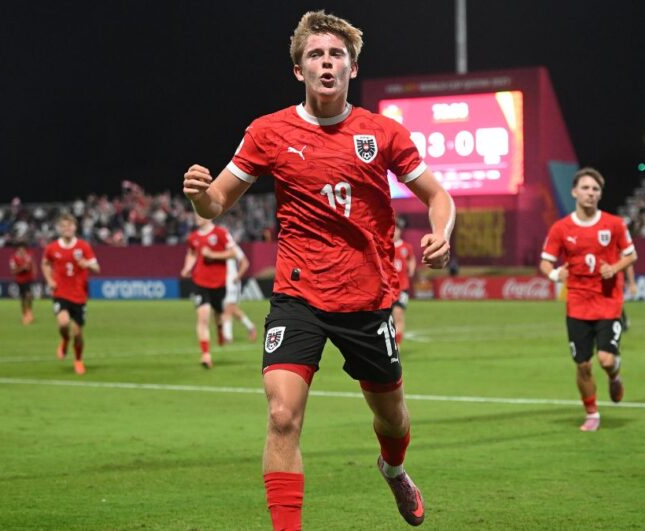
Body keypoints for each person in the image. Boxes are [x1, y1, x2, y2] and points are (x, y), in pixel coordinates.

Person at [182, 10, 454, 529]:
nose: (326, 63)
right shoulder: (268, 132)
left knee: (391, 418)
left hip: (368, 299)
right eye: (315, 55)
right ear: (298, 69)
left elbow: (437, 195)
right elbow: (218, 200)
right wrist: (199, 198)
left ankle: (393, 469)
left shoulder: (382, 133)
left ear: (351, 68)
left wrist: (442, 231)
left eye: (336, 55)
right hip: (298, 296)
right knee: (282, 415)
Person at [540, 167, 637, 432]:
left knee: (605, 359)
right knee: (583, 365)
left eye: (595, 189)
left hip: (608, 303)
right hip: (577, 306)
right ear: (574, 192)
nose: (590, 193)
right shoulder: (561, 228)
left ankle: (614, 375)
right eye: (585, 188)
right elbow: (546, 263)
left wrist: (615, 269)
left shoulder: (615, 224)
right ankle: (592, 413)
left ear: (600, 194)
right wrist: (556, 274)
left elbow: (630, 255)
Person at [41, 214, 100, 375]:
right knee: (63, 323)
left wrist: (86, 263)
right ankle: (65, 340)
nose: (67, 228)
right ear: (59, 228)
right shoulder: (52, 248)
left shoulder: (83, 246)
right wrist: (49, 280)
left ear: (75, 227)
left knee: (78, 333)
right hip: (60, 293)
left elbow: (97, 268)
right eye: (64, 226)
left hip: (79, 295)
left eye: (70, 225)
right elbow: (45, 263)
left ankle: (78, 360)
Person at [181, 213, 239, 368]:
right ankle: (206, 355)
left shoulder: (221, 233)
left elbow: (234, 253)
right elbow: (192, 253)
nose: (197, 217)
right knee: (203, 317)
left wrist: (213, 254)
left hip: (219, 284)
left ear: (210, 215)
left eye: (201, 214)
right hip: (199, 282)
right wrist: (187, 267)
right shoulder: (193, 237)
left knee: (218, 314)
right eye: (196, 214)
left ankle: (220, 329)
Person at [222, 245, 258, 343]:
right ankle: (251, 327)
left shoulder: (232, 247)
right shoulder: (219, 248)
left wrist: (237, 276)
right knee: (232, 309)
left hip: (232, 282)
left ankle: (227, 337)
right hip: (223, 282)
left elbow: (245, 263)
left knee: (228, 308)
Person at [392, 219, 417, 347]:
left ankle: (397, 347)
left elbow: (411, 259)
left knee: (398, 314)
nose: (395, 232)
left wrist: (412, 269)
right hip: (386, 289)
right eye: (393, 229)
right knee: (385, 319)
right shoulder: (384, 246)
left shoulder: (406, 247)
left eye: (397, 229)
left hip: (402, 287)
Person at [9, 240, 36, 324]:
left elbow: (33, 264)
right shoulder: (13, 258)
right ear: (17, 250)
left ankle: (29, 312)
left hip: (29, 279)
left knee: (29, 295)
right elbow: (13, 271)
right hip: (20, 280)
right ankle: (24, 314)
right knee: (23, 297)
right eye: (20, 249)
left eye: (23, 249)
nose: (22, 251)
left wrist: (33, 272)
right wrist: (22, 268)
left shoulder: (29, 255)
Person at [620, 264, 637, 331]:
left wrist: (632, 283)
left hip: (617, 281)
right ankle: (624, 321)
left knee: (617, 303)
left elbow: (629, 265)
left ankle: (624, 321)